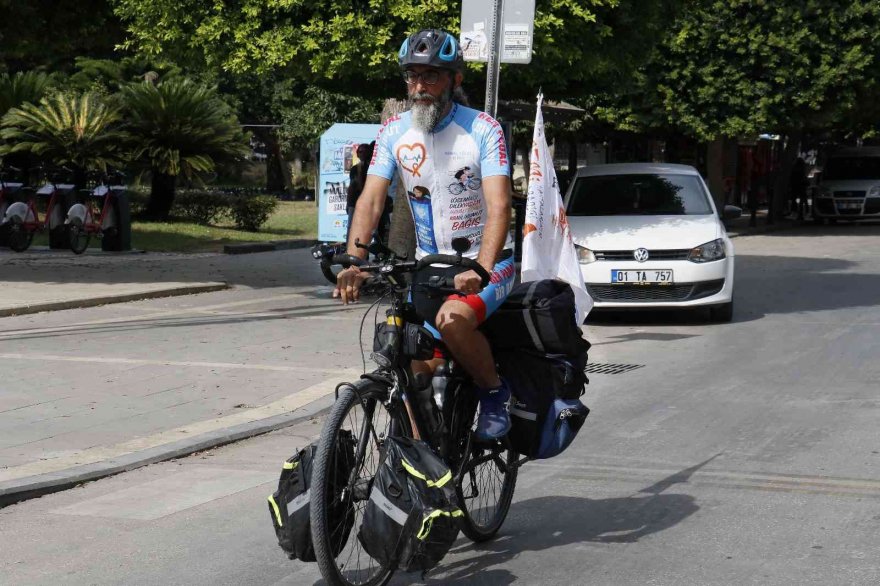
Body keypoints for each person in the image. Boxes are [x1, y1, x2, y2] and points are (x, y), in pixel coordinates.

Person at [335, 29, 516, 440]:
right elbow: (370, 201)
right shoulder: (395, 132)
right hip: (428, 267)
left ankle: (494, 392)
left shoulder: (483, 129)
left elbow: (500, 207)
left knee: (453, 320)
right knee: (406, 358)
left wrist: (482, 269)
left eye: (431, 76)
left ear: (455, 79)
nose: (419, 87)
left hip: (488, 264)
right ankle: (427, 457)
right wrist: (353, 262)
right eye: (412, 77)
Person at [346, 142, 374, 238]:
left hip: (368, 202)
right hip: (355, 202)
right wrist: (348, 204)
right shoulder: (355, 169)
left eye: (364, 151)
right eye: (360, 151)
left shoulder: (372, 168)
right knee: (351, 227)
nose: (362, 154)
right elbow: (352, 187)